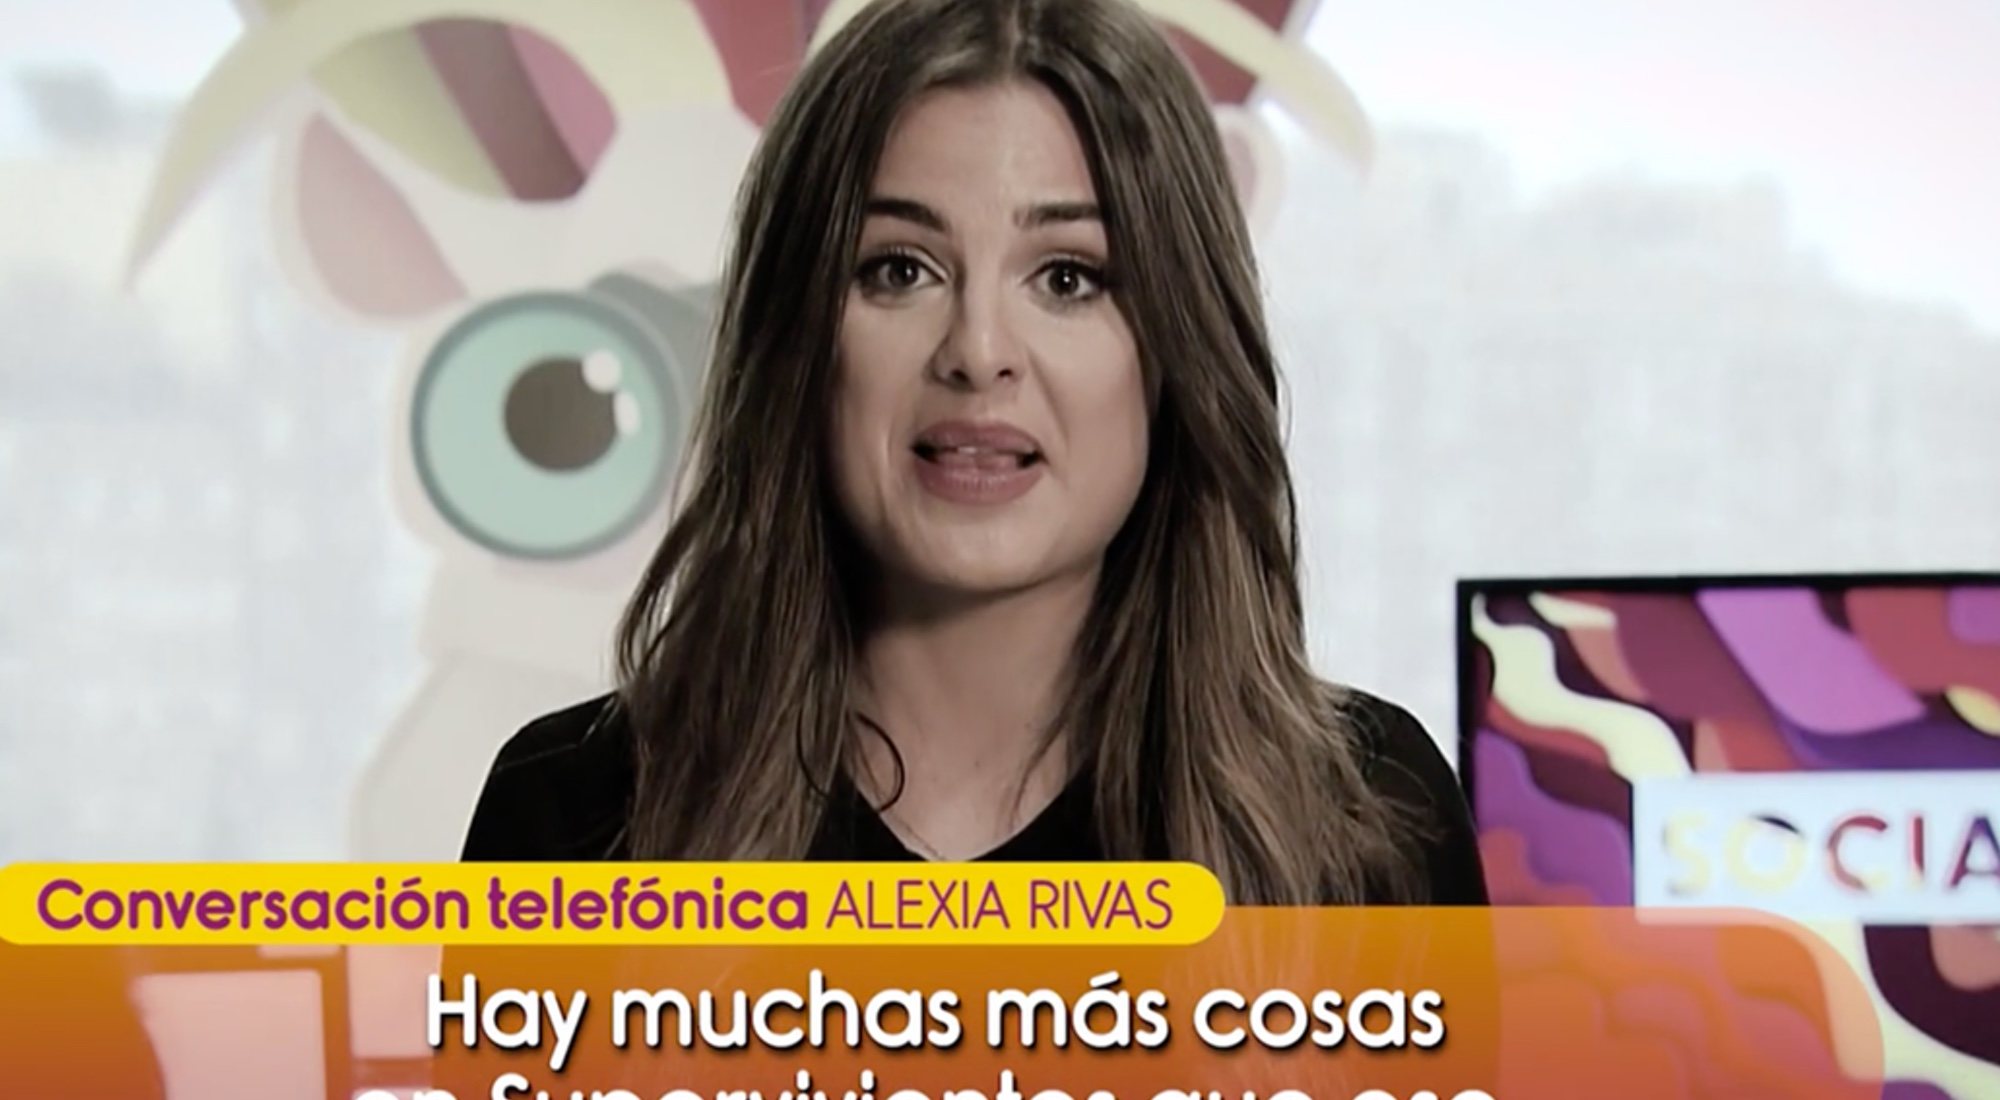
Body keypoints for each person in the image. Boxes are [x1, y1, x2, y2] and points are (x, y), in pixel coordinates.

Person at [460, 0, 1487, 906]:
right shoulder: (571, 820)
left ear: (1178, 348)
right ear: (796, 339)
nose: (978, 351)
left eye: (1069, 277)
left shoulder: (1367, 827)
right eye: (898, 269)